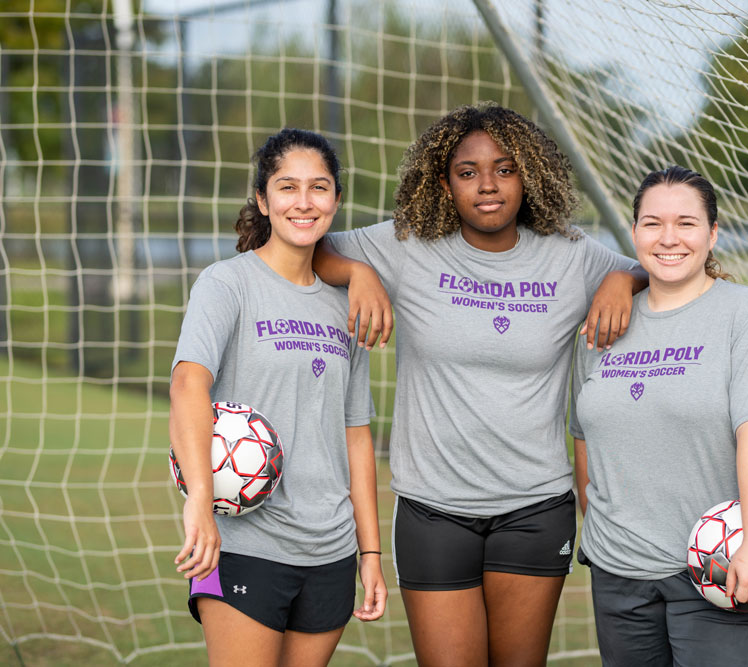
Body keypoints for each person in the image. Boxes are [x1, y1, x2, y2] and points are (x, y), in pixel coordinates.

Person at [312, 102, 646, 667]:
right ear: (444, 183)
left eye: (505, 168)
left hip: (535, 508)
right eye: (468, 172)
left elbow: (659, 269)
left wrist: (621, 277)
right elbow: (310, 249)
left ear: (530, 175)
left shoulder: (570, 256)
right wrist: (359, 273)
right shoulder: (406, 246)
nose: (487, 185)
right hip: (433, 509)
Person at [169, 128, 387, 667]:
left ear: (336, 199)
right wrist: (199, 496)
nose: (304, 201)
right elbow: (187, 384)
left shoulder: (345, 305)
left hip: (331, 548)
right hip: (244, 544)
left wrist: (371, 553)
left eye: (319, 187)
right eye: (287, 187)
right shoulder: (226, 284)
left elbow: (355, 434)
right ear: (263, 201)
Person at [570, 166, 748, 666]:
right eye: (652, 224)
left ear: (713, 234)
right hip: (619, 575)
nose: (668, 238)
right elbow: (584, 436)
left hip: (720, 569)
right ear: (633, 233)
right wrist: (608, 526)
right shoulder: (602, 328)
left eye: (687, 224)